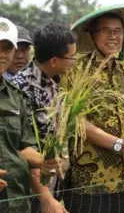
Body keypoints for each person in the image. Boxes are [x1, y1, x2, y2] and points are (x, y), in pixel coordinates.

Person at [62, 5, 124, 213]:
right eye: (106, 31)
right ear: (92, 35)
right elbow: (76, 122)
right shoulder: (77, 71)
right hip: (90, 182)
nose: (113, 36)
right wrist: (121, 145)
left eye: (118, 31)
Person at [12, 23, 77, 213]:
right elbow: (18, 148)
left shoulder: (57, 82)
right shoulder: (22, 89)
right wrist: (45, 198)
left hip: (53, 187)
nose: (75, 61)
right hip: (31, 193)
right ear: (55, 61)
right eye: (72, 57)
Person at [0, 17, 60, 213]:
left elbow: (23, 147)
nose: (3, 54)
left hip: (16, 202)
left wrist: (46, 160)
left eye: (8, 48)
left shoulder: (16, 97)